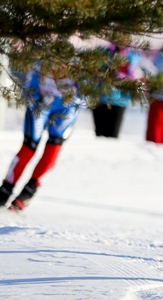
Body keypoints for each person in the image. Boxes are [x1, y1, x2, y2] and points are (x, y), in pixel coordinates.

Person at [0, 65, 82, 211]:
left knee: (53, 148)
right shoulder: (44, 56)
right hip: (42, 101)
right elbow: (30, 82)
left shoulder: (81, 56)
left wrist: (77, 103)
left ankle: (27, 193)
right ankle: (5, 190)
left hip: (67, 106)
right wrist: (35, 98)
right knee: (29, 146)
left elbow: (90, 90)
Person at [93, 45, 148, 139]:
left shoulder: (133, 55)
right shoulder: (104, 52)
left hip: (120, 100)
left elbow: (135, 75)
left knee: (112, 136)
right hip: (101, 98)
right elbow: (94, 70)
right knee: (99, 136)